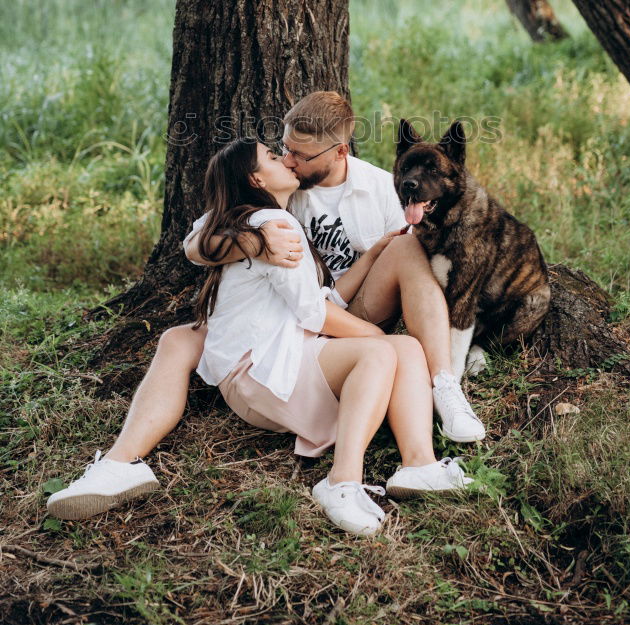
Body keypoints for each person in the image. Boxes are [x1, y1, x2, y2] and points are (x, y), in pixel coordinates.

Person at [47, 92, 484, 522]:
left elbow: (323, 301)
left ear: (339, 151)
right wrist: (255, 242)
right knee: (178, 338)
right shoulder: (276, 207)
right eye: (282, 151)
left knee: (403, 276)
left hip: (343, 310)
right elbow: (195, 243)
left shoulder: (380, 187)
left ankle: (438, 405)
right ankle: (119, 464)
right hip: (296, 324)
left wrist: (373, 271)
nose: (289, 160)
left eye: (298, 155)